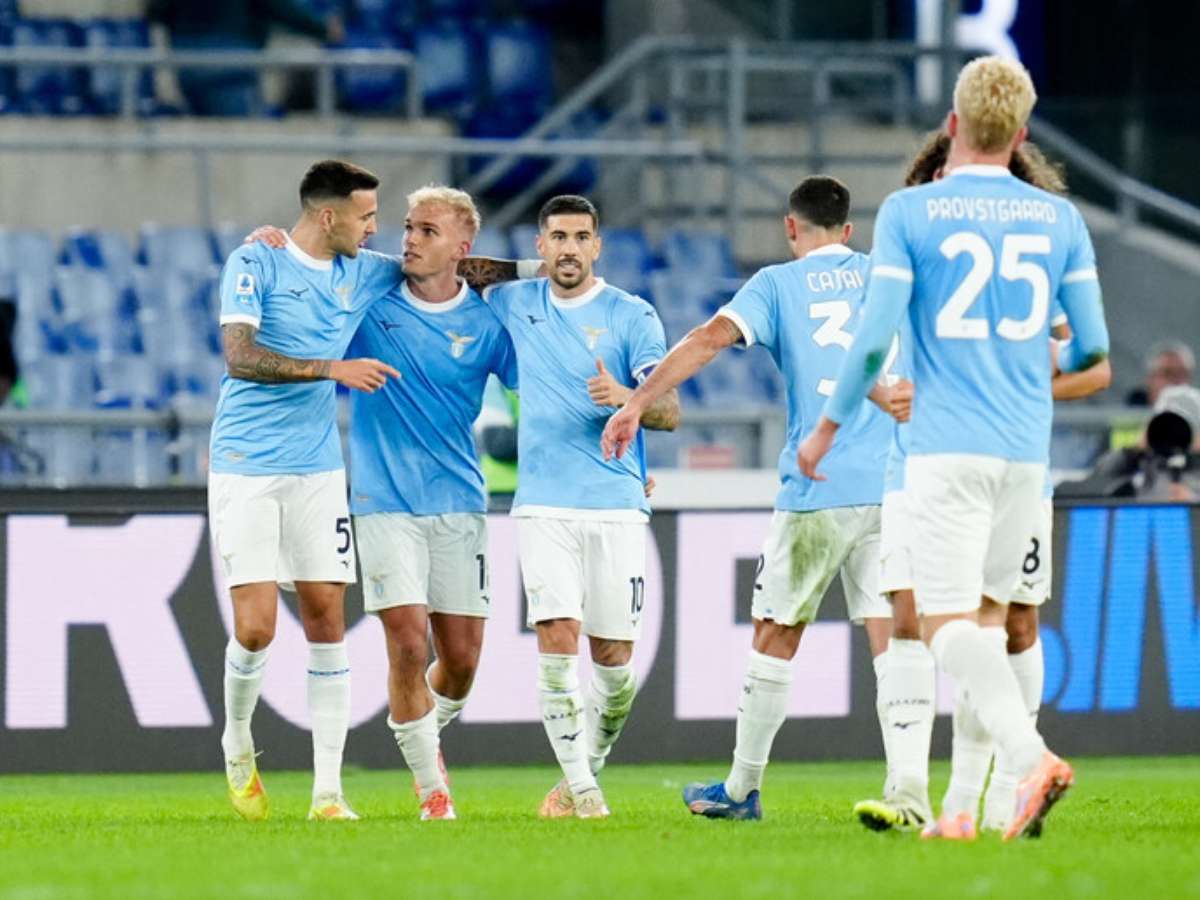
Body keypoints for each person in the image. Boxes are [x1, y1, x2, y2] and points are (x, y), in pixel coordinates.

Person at [798, 55, 1110, 841]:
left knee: (942, 625)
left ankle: (1028, 758)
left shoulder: (912, 213)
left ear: (952, 124)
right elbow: (1091, 351)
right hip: (1024, 453)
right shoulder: (1060, 221)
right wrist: (1025, 365)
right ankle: (964, 809)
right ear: (1023, 133)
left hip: (944, 448)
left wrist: (829, 426)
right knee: (990, 623)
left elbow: (873, 340)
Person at [602, 175, 907, 821]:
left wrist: (636, 402)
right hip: (894, 483)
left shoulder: (776, 284)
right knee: (894, 640)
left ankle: (741, 790)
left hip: (819, 486)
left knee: (776, 633)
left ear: (790, 227)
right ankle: (907, 791)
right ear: (849, 230)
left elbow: (708, 339)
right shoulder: (886, 275)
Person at [210, 159, 401, 823]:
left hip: (317, 468)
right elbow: (240, 356)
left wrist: (538, 266)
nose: (374, 228)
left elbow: (450, 267)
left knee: (327, 616)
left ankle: (328, 793)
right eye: (366, 216)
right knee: (256, 628)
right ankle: (238, 741)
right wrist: (331, 368)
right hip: (246, 463)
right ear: (328, 215)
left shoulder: (364, 271)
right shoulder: (254, 261)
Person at [482, 195, 680, 819]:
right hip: (543, 505)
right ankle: (586, 793)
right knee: (556, 637)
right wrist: (525, 270)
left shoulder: (632, 314)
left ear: (598, 246)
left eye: (581, 237)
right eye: (558, 237)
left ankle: (582, 773)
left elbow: (670, 411)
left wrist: (627, 397)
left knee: (615, 668)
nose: (570, 248)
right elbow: (453, 268)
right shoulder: (516, 301)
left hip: (616, 505)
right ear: (540, 245)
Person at [147, 0, 343, 116]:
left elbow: (156, 10)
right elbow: (279, 7)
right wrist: (323, 28)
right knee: (234, 147)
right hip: (231, 70)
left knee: (207, 141)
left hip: (188, 66)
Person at [1124, 340, 1194, 407]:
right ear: (1150, 379)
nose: (1176, 380)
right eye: (1167, 373)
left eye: (1181, 374)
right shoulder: (1127, 413)